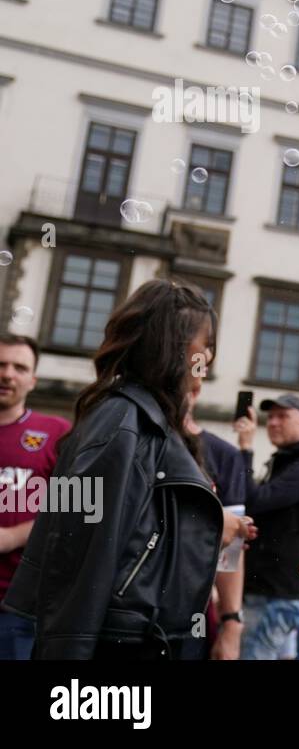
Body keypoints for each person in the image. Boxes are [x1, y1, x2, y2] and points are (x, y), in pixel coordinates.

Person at [2, 280, 225, 659]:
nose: (209, 358)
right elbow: (76, 554)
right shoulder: (121, 424)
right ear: (170, 348)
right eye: (205, 345)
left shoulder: (143, 421)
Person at [234, 394, 299, 660]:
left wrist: (245, 448)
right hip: (270, 589)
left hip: (274, 593)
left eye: (283, 416)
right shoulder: (285, 461)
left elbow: (252, 500)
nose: (273, 422)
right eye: (271, 416)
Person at [0, 334, 72, 660]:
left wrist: (12, 536)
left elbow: (81, 505)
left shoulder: (57, 433)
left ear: (33, 379)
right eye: (1, 365)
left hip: (17, 605)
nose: (7, 374)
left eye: (19, 367)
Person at [182, 396, 256, 660]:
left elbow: (232, 548)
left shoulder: (221, 453)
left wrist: (232, 624)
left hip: (189, 616)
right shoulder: (123, 435)